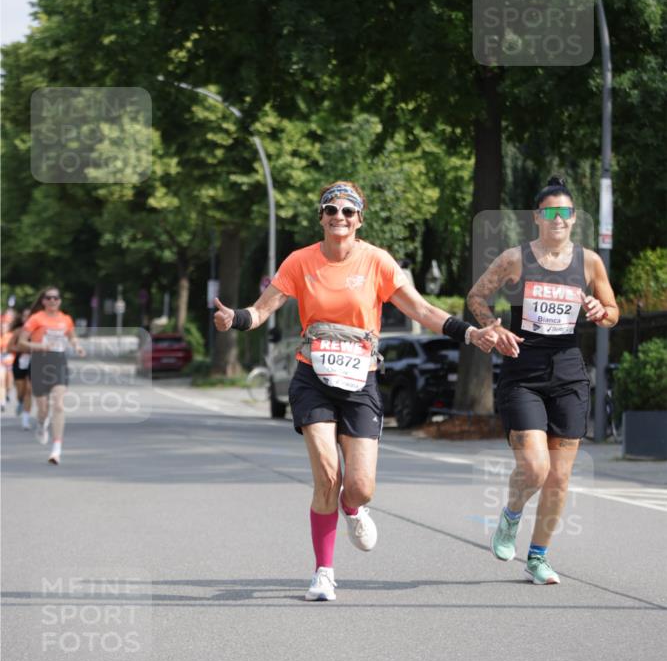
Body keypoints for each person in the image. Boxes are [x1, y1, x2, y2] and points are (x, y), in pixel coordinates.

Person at [214, 181, 501, 601]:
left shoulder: (378, 262)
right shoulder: (300, 262)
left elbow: (421, 309)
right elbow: (262, 310)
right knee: (328, 475)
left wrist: (470, 333)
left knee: (361, 486)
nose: (339, 217)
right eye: (331, 210)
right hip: (312, 377)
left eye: (348, 211)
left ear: (359, 220)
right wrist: (234, 319)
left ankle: (353, 507)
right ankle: (323, 573)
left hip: (360, 380)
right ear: (322, 218)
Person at [467, 176, 619, 584]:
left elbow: (612, 310)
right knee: (535, 468)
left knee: (560, 476)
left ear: (573, 219)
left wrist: (600, 311)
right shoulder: (515, 258)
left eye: (566, 213)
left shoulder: (588, 262)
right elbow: (476, 297)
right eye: (551, 212)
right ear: (537, 217)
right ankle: (511, 516)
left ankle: (538, 557)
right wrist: (493, 329)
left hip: (568, 374)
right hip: (524, 372)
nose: (559, 220)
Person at [18, 287, 85, 464]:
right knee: (42, 409)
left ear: (60, 301)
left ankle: (56, 449)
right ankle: (41, 424)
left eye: (56, 298)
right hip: (39, 362)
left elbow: (72, 337)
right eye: (49, 298)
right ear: (44, 301)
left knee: (59, 405)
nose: (53, 301)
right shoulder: (36, 318)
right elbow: (22, 342)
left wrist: (77, 346)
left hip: (59, 363)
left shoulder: (66, 319)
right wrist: (39, 346)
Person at [7, 309, 33, 429]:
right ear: (22, 318)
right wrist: (21, 349)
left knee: (29, 389)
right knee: (20, 391)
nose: (27, 318)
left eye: (30, 316)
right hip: (19, 362)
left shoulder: (37, 331)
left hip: (34, 362)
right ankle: (20, 402)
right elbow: (9, 347)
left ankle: (25, 420)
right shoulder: (18, 331)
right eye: (25, 316)